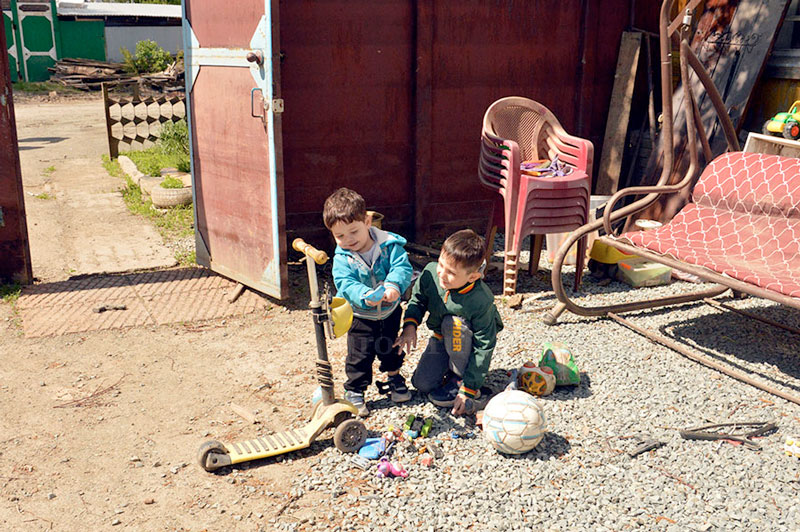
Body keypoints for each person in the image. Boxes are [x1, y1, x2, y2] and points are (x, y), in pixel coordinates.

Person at [323, 187, 414, 417]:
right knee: (359, 355)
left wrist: (394, 285)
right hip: (361, 316)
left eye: (353, 231)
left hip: (390, 311)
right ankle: (355, 389)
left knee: (391, 347)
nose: (348, 240)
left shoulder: (389, 245)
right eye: (340, 236)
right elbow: (344, 283)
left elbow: (402, 268)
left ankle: (394, 377)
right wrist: (363, 294)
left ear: (367, 221)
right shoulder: (343, 259)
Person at [395, 229, 503, 416]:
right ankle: (448, 367)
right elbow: (417, 300)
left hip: (463, 336)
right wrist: (410, 326)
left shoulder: (481, 299)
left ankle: (461, 379)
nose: (442, 275)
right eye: (441, 265)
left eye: (451, 272)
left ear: (473, 277)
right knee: (421, 384)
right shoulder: (430, 274)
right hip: (441, 337)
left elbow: (484, 345)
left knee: (452, 323)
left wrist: (468, 387)